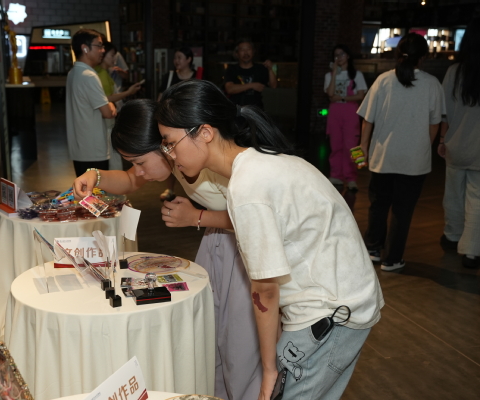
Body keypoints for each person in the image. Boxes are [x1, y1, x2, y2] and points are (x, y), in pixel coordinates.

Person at [155, 79, 383, 400]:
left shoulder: (248, 185)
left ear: (204, 133)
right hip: (344, 302)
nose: (168, 154)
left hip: (328, 312)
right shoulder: (260, 161)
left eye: (170, 143)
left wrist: (269, 370)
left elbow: (265, 289)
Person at [73, 99, 264, 400]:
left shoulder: (206, 159)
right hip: (219, 240)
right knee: (212, 334)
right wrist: (94, 176)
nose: (138, 172)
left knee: (241, 344)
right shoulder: (177, 157)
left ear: (164, 144)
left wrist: (196, 217)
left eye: (140, 162)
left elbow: (256, 217)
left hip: (249, 249)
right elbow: (129, 180)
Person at [357, 33, 446, 271]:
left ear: (398, 54)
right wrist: (424, 145)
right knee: (402, 210)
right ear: (423, 57)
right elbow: (435, 123)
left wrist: (363, 147)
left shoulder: (383, 80)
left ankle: (373, 249)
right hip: (414, 160)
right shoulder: (432, 84)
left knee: (378, 205)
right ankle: (392, 259)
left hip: (382, 156)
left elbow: (367, 119)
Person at [438, 18, 480, 269]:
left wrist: (443, 139)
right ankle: (471, 252)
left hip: (456, 144)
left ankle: (452, 236)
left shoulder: (455, 72)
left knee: (453, 194)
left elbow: (445, 112)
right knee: (477, 199)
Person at [66, 29, 116, 176]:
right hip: (93, 150)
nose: (103, 50)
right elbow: (108, 113)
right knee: (97, 189)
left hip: (80, 148)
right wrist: (110, 104)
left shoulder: (73, 72)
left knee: (85, 188)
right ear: (85, 48)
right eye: (99, 46)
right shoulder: (89, 75)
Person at [324, 44, 368, 192]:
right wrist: (334, 72)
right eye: (336, 55)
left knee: (352, 146)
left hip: (350, 110)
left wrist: (343, 97)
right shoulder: (329, 76)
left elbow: (361, 95)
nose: (339, 57)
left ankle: (351, 178)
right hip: (335, 111)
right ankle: (335, 175)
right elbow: (330, 95)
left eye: (342, 54)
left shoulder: (357, 75)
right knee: (335, 145)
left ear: (348, 56)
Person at [158, 46, 198, 200]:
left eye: (180, 57)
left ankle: (197, 192)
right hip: (171, 123)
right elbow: (160, 99)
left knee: (194, 158)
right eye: (175, 58)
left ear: (189, 59)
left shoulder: (198, 76)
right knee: (170, 157)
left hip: (191, 122)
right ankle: (170, 189)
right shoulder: (169, 76)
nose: (176, 61)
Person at [94, 41, 142, 170]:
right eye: (112, 55)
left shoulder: (102, 72)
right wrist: (128, 92)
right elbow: (107, 98)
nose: (114, 59)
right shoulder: (102, 74)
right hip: (107, 121)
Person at [223, 39, 277, 109]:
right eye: (242, 50)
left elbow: (273, 85)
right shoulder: (232, 69)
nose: (246, 53)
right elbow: (229, 89)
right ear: (237, 54)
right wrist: (252, 85)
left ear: (253, 52)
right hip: (237, 110)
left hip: (256, 110)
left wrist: (270, 69)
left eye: (248, 49)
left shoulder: (260, 68)